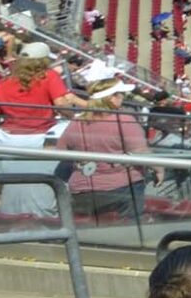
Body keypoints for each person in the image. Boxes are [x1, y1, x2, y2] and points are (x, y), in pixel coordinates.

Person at [59, 63, 149, 218]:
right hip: (121, 188)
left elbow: (61, 151)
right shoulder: (124, 120)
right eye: (121, 95)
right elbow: (141, 152)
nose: (123, 98)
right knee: (130, 225)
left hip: (82, 188)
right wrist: (159, 169)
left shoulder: (76, 122)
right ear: (112, 98)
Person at [0, 43, 68, 136]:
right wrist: (72, 117)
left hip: (10, 137)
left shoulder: (4, 82)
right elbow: (61, 104)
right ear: (44, 61)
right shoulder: (49, 76)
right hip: (41, 135)